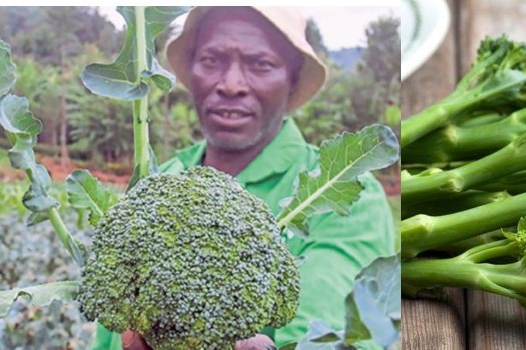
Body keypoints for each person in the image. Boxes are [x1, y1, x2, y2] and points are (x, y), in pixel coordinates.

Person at [91, 6, 395, 350]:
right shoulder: (157, 183)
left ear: (292, 78)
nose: (231, 84)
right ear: (191, 72)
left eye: (260, 64)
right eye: (211, 60)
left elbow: (327, 338)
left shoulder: (344, 193)